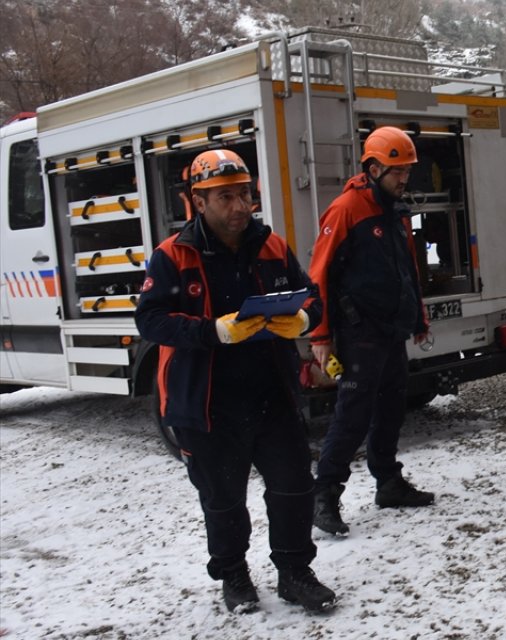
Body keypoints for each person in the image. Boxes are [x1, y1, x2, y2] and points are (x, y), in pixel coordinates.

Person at [135, 149, 336, 613]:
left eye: (245, 193)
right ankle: (234, 576)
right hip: (207, 402)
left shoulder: (272, 246)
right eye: (225, 197)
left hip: (271, 393)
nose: (240, 206)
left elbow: (313, 298)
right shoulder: (172, 256)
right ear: (198, 202)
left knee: (293, 486)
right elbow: (151, 322)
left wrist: (304, 320)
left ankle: (294, 572)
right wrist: (211, 331)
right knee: (223, 499)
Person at [308, 126, 435, 537]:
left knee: (393, 406)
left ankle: (388, 483)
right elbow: (320, 275)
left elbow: (406, 269)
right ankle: (324, 494)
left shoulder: (394, 210)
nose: (404, 179)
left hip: (391, 330)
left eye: (407, 171)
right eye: (398, 171)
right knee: (353, 416)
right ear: (374, 167)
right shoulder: (346, 210)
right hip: (358, 332)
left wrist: (418, 318)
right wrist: (321, 337)